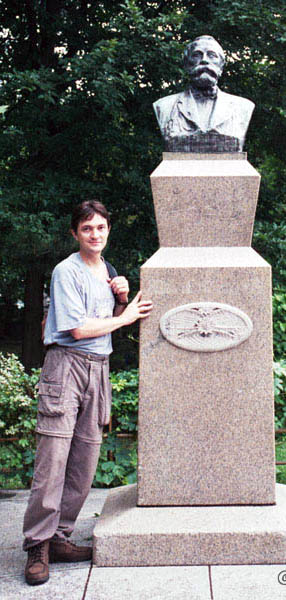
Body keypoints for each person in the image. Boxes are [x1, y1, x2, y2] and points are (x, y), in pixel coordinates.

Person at [23, 200, 153, 586]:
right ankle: (38, 545)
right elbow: (78, 329)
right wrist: (125, 317)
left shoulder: (107, 271)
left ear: (109, 230)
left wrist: (121, 298)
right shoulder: (67, 271)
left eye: (100, 227)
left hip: (98, 369)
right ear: (75, 233)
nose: (94, 234)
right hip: (66, 366)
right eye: (86, 228)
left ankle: (60, 537)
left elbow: (103, 319)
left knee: (84, 459)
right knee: (53, 459)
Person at [153, 35, 255, 152]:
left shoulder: (243, 107)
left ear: (221, 66)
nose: (204, 60)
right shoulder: (164, 106)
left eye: (212, 55)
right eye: (196, 55)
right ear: (186, 65)